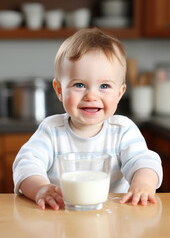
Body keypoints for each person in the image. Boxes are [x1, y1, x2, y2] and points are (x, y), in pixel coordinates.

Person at [13, 28, 163, 210]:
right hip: (60, 215)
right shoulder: (51, 130)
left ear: (119, 93)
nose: (91, 96)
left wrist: (144, 184)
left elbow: (144, 161)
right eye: (79, 85)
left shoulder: (122, 130)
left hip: (113, 218)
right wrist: (40, 189)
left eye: (104, 86)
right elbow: (26, 164)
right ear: (59, 90)